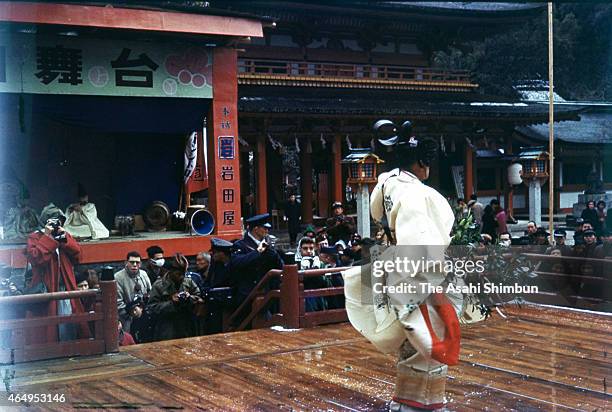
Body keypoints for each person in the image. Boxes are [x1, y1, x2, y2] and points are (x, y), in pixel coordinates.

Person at [343, 127, 460, 411]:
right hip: (416, 269)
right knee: (428, 337)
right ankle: (421, 402)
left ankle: (410, 400)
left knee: (411, 336)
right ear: (421, 163)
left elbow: (376, 213)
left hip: (392, 264)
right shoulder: (420, 195)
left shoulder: (388, 183)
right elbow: (423, 242)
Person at [25, 212, 89, 343]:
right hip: (47, 289)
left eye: (58, 221)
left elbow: (78, 256)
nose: (55, 224)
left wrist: (65, 237)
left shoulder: (62, 236)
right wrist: (47, 236)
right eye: (52, 221)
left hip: (66, 287)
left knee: (70, 322)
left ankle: (70, 350)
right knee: (48, 328)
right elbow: (36, 259)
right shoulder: (35, 237)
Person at [148, 254, 203, 341]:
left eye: (184, 274)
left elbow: (199, 298)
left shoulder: (188, 282)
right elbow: (152, 307)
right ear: (171, 272)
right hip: (167, 328)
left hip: (187, 327)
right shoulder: (159, 285)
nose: (181, 277)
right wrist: (171, 303)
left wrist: (189, 298)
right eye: (178, 274)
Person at [232, 214, 284, 305]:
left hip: (267, 291)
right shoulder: (240, 245)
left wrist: (273, 253)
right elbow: (237, 263)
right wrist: (258, 252)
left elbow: (281, 266)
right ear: (256, 229)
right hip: (248, 293)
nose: (267, 231)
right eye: (264, 228)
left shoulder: (268, 244)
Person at [114, 251, 152, 334]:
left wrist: (144, 307)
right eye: (132, 262)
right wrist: (132, 311)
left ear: (140, 264)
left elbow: (150, 292)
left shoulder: (143, 274)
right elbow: (118, 302)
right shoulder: (118, 277)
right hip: (127, 318)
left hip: (144, 313)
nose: (134, 265)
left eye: (137, 262)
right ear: (126, 263)